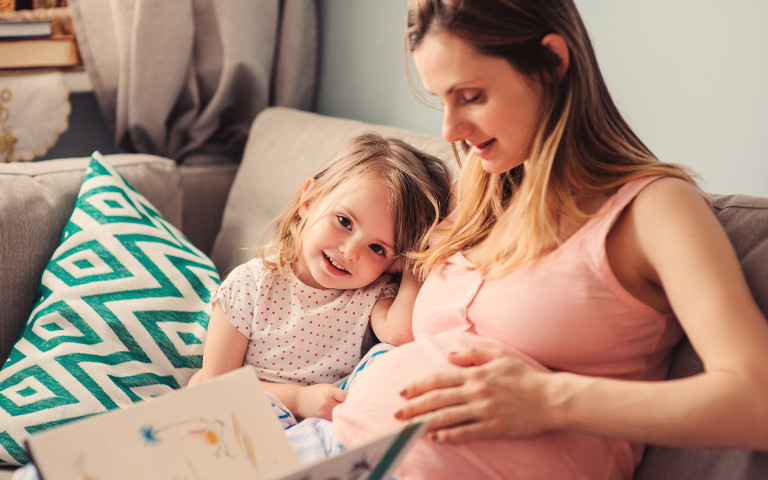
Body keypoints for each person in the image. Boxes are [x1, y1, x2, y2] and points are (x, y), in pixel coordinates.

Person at [310, 0, 768, 479]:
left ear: (551, 62)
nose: (451, 130)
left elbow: (755, 403)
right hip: (331, 451)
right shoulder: (480, 190)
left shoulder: (654, 210)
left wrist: (549, 399)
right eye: (441, 99)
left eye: (471, 95)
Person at [187, 132, 453, 422]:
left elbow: (401, 334)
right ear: (309, 200)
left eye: (377, 248)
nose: (350, 252)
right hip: (245, 416)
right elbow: (217, 384)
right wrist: (298, 399)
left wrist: (417, 262)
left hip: (317, 430)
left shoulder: (371, 292)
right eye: (344, 221)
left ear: (395, 262)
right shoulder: (250, 285)